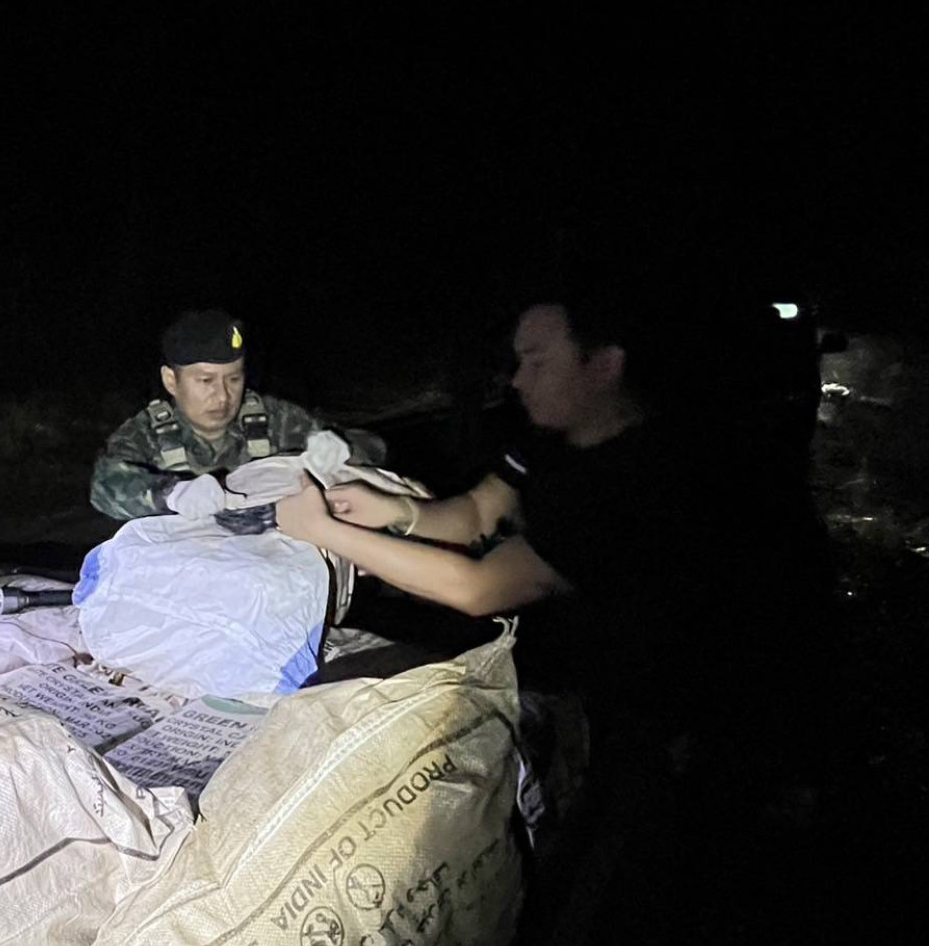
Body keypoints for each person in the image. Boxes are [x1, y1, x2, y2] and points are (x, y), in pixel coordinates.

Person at [276, 285, 832, 774]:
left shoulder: (643, 476)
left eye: (537, 362)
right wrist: (394, 511)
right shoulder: (551, 436)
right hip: (562, 649)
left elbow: (479, 588)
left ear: (604, 366)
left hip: (656, 697)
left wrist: (326, 532)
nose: (517, 379)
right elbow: (475, 514)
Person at [90, 309, 386, 520]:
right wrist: (168, 495)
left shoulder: (275, 418)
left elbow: (374, 448)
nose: (222, 396)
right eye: (205, 381)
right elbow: (104, 487)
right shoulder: (144, 433)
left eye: (233, 379)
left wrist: (344, 449)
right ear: (171, 381)